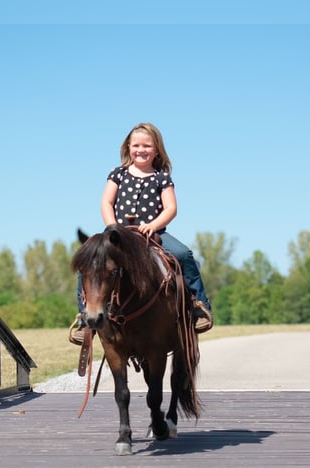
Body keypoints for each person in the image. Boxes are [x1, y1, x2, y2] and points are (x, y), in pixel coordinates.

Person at [70, 122, 212, 344]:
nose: (141, 150)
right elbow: (106, 202)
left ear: (156, 150)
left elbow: (171, 208)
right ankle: (83, 316)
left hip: (152, 234)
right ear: (128, 147)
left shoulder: (162, 177)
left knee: (183, 254)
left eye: (147, 145)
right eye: (136, 145)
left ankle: (198, 305)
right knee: (90, 260)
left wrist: (153, 225)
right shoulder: (118, 174)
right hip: (118, 235)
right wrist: (112, 226)